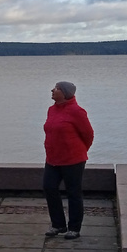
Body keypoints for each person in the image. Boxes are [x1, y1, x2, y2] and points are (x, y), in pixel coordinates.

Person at [43, 81, 94, 240]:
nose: (52, 90)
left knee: (74, 193)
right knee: (49, 188)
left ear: (64, 93)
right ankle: (58, 224)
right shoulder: (51, 110)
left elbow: (88, 135)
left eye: (56, 88)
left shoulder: (77, 111)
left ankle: (74, 228)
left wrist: (78, 152)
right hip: (52, 159)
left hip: (73, 160)